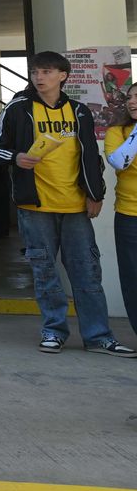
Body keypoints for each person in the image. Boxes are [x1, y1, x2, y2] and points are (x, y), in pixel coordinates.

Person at [0, 51, 135, 357]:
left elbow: (90, 157)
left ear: (62, 76)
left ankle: (98, 336)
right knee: (45, 272)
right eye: (35, 72)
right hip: (35, 207)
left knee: (87, 272)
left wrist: (96, 193)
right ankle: (54, 331)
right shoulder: (17, 108)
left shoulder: (79, 111)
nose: (39, 77)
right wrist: (16, 157)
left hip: (76, 206)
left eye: (47, 72)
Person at [100, 84, 137, 338]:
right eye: (130, 97)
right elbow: (120, 161)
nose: (132, 101)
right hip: (129, 216)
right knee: (133, 281)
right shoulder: (118, 131)